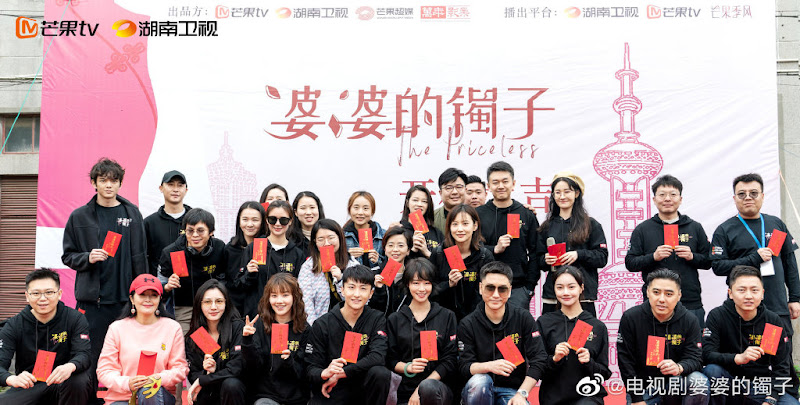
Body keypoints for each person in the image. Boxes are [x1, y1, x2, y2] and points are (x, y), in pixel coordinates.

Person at [61, 157, 148, 403]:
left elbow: (141, 257)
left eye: (114, 180)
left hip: (125, 301)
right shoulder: (80, 216)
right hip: (93, 302)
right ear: (94, 183)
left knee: (128, 355)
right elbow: (68, 256)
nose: (109, 185)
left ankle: (126, 400)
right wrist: (87, 257)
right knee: (91, 355)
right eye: (103, 180)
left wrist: (141, 295)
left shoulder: (132, 214)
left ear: (120, 183)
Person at [711, 173, 800, 330]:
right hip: (741, 312)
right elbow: (718, 267)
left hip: (776, 308)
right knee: (746, 346)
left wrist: (795, 298)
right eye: (742, 194)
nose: (748, 198)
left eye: (753, 193)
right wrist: (753, 259)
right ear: (734, 199)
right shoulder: (724, 230)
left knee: (775, 346)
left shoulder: (776, 224)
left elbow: (789, 263)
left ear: (762, 196)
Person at [702, 266, 799, 405]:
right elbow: (707, 354)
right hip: (728, 383)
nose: (748, 296)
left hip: (760, 385)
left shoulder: (771, 321)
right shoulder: (718, 316)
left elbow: (781, 366)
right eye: (741, 290)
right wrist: (738, 358)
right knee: (712, 370)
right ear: (730, 293)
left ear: (762, 293)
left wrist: (770, 399)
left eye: (754, 290)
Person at [626, 174, 712, 327]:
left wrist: (692, 256)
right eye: (662, 195)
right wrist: (653, 257)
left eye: (673, 194)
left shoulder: (694, 227)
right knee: (655, 342)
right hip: (655, 303)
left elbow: (709, 261)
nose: (667, 199)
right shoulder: (643, 229)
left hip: (689, 300)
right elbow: (630, 263)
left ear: (680, 199)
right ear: (654, 199)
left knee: (692, 341)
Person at [458, 261, 547, 405]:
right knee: (481, 381)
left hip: (511, 390)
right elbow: (464, 366)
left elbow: (539, 359)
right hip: (477, 390)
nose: (495, 295)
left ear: (510, 290)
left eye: (502, 289)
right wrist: (489, 366)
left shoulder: (523, 317)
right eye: (490, 288)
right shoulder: (468, 323)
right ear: (480, 288)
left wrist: (522, 394)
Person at [0, 269, 92, 405]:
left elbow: (84, 354)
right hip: (31, 386)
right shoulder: (14, 325)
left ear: (59, 294)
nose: (43, 298)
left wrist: (70, 366)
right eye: (36, 293)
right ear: (27, 296)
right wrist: (11, 379)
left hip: (66, 383)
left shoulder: (75, 318)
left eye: (49, 292)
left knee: (79, 380)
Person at [617, 269, 708, 405]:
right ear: (648, 292)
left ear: (679, 295)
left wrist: (679, 367)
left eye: (669, 294)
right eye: (656, 292)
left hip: (677, 384)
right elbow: (626, 361)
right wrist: (637, 399)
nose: (661, 299)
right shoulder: (631, 318)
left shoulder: (689, 320)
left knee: (698, 381)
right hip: (644, 388)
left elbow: (696, 358)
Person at [305, 265, 392, 405]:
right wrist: (325, 372)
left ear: (371, 293)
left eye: (363, 288)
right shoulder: (322, 324)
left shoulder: (377, 319)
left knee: (381, 373)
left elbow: (378, 356)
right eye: (351, 287)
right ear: (342, 290)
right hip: (333, 388)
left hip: (364, 389)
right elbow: (310, 368)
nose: (357, 294)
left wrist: (343, 373)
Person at [96, 274, 189, 405]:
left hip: (159, 395)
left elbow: (180, 368)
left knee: (149, 388)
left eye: (153, 295)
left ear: (160, 299)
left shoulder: (172, 328)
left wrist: (159, 378)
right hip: (122, 397)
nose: (148, 300)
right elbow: (104, 370)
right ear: (132, 299)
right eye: (142, 295)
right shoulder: (116, 328)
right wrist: (127, 383)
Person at [386, 259, 458, 405]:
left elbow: (450, 360)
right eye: (416, 283)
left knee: (428, 388)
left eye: (427, 283)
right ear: (407, 284)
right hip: (403, 390)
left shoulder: (447, 316)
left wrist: (421, 389)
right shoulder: (395, 319)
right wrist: (407, 367)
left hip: (437, 390)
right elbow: (390, 359)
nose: (422, 289)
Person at [536, 171, 608, 316]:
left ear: (576, 193)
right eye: (557, 193)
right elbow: (537, 259)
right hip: (553, 295)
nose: (562, 196)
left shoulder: (591, 225)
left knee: (584, 330)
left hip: (583, 295)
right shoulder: (547, 227)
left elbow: (602, 257)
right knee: (550, 329)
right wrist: (545, 260)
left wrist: (578, 255)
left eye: (567, 191)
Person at [536, 266, 610, 405]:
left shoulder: (597, 326)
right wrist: (554, 359)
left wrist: (589, 362)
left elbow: (604, 373)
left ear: (581, 288)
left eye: (571, 287)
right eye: (560, 287)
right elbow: (537, 368)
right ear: (554, 289)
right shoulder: (544, 322)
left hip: (588, 397)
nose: (566, 292)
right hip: (553, 398)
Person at [476, 161, 541, 311]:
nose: (501, 186)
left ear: (513, 184)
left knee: (516, 326)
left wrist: (529, 287)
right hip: (486, 288)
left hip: (518, 289)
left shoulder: (526, 214)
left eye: (505, 181)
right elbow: (472, 248)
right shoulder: (478, 214)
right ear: (488, 186)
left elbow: (535, 252)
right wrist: (494, 249)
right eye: (495, 182)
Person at [242, 273, 312, 405]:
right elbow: (253, 368)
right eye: (274, 296)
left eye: (285, 295)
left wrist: (289, 362)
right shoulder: (259, 325)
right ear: (268, 298)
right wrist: (247, 341)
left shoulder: (305, 329)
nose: (279, 301)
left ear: (294, 297)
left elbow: (306, 372)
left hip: (296, 398)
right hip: (266, 396)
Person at [160, 208, 228, 333]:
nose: (195, 235)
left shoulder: (219, 248)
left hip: (213, 306)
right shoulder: (170, 252)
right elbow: (158, 289)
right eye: (190, 231)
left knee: (215, 342)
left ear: (211, 232)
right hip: (184, 309)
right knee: (185, 343)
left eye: (200, 231)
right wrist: (167, 287)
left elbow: (225, 279)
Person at [240, 200, 307, 317]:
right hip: (257, 315)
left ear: (291, 221)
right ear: (266, 220)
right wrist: (249, 273)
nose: (277, 224)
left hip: (285, 316)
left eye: (283, 220)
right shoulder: (254, 248)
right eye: (272, 219)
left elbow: (300, 289)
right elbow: (240, 286)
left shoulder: (297, 254)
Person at [185, 280, 246, 405]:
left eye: (219, 301)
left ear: (226, 303)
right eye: (207, 302)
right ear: (199, 305)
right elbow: (193, 376)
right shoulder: (195, 336)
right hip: (208, 393)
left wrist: (204, 379)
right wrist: (206, 372)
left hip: (234, 394)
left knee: (231, 384)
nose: (213, 307)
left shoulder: (237, 327)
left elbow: (236, 368)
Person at [429, 204, 494, 320]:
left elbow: (489, 292)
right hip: (443, 318)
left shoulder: (484, 256)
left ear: (475, 226)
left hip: (475, 320)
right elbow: (428, 289)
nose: (460, 229)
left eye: (465, 223)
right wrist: (448, 284)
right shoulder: (438, 254)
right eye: (455, 224)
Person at [298, 219, 359, 324]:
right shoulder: (309, 267)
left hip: (347, 323)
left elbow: (358, 299)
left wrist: (340, 280)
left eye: (331, 238)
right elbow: (305, 301)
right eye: (321, 239)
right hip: (320, 324)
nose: (326, 243)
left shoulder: (353, 265)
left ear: (340, 238)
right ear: (315, 242)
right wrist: (315, 327)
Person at [144, 170, 191, 277]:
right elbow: (143, 257)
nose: (175, 189)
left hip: (192, 282)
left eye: (180, 185)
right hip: (159, 283)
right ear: (161, 188)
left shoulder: (196, 221)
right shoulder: (149, 223)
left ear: (186, 190)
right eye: (170, 185)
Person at [225, 201, 268, 316]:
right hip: (234, 309)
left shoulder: (267, 248)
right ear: (239, 222)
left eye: (255, 220)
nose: (249, 224)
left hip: (260, 310)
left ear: (263, 222)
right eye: (245, 219)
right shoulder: (230, 249)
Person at [370, 226, 414, 316]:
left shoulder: (413, 275)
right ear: (385, 249)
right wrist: (379, 290)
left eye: (400, 245)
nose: (395, 250)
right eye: (390, 245)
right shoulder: (373, 274)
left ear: (408, 250)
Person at [399, 185, 445, 260]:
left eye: (424, 201)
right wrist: (412, 250)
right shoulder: (398, 230)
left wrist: (427, 252)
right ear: (407, 203)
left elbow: (444, 262)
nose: (419, 204)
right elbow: (392, 261)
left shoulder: (436, 233)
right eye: (415, 200)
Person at [343, 191, 386, 269]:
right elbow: (337, 264)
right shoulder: (341, 236)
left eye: (365, 208)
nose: (360, 212)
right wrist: (348, 256)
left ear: (372, 211)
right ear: (349, 210)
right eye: (356, 208)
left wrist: (377, 261)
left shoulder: (383, 235)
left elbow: (391, 263)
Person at [290, 191, 326, 257]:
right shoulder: (289, 240)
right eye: (303, 208)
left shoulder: (328, 237)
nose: (308, 212)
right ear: (296, 212)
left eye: (312, 207)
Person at [433, 168, 468, 234]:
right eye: (448, 188)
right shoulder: (431, 218)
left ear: (465, 190)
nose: (454, 192)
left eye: (459, 187)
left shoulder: (475, 216)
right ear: (440, 193)